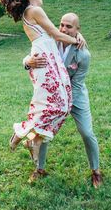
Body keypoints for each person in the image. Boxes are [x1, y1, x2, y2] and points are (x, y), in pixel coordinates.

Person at [0, 0, 85, 166]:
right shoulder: (34, 10)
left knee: (62, 106)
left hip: (50, 61)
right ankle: (25, 135)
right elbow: (55, 34)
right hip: (44, 64)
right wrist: (77, 40)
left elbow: (54, 36)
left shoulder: (32, 12)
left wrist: (76, 35)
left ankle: (30, 138)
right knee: (53, 108)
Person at [23, 13, 103, 188]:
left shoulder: (83, 55)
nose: (63, 29)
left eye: (69, 26)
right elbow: (31, 55)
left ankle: (96, 172)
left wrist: (62, 102)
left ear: (77, 30)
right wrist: (28, 61)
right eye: (62, 25)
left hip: (75, 96)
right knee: (42, 130)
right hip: (52, 97)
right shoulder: (50, 40)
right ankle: (39, 169)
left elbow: (77, 83)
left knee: (87, 133)